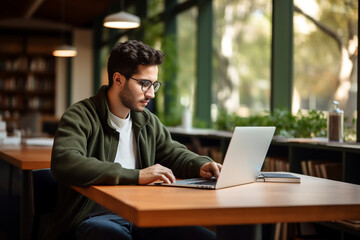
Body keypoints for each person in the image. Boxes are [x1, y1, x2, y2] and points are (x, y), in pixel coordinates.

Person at [43, 40, 222, 240]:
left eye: (154, 84)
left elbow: (172, 152)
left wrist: (202, 165)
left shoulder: (146, 121)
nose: (151, 94)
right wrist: (136, 175)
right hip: (93, 217)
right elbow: (64, 162)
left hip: (141, 215)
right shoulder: (81, 115)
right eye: (144, 84)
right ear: (118, 80)